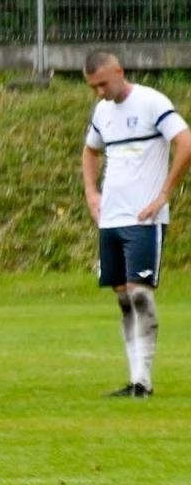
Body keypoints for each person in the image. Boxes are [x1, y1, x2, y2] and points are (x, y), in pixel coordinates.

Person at [81, 50, 191, 397]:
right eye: (93, 87)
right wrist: (91, 193)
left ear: (119, 71)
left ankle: (143, 382)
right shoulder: (102, 112)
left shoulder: (151, 102)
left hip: (144, 219)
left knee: (140, 293)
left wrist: (163, 194)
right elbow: (90, 151)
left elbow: (185, 143)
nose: (99, 92)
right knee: (124, 299)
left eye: (103, 84)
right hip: (110, 220)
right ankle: (134, 380)